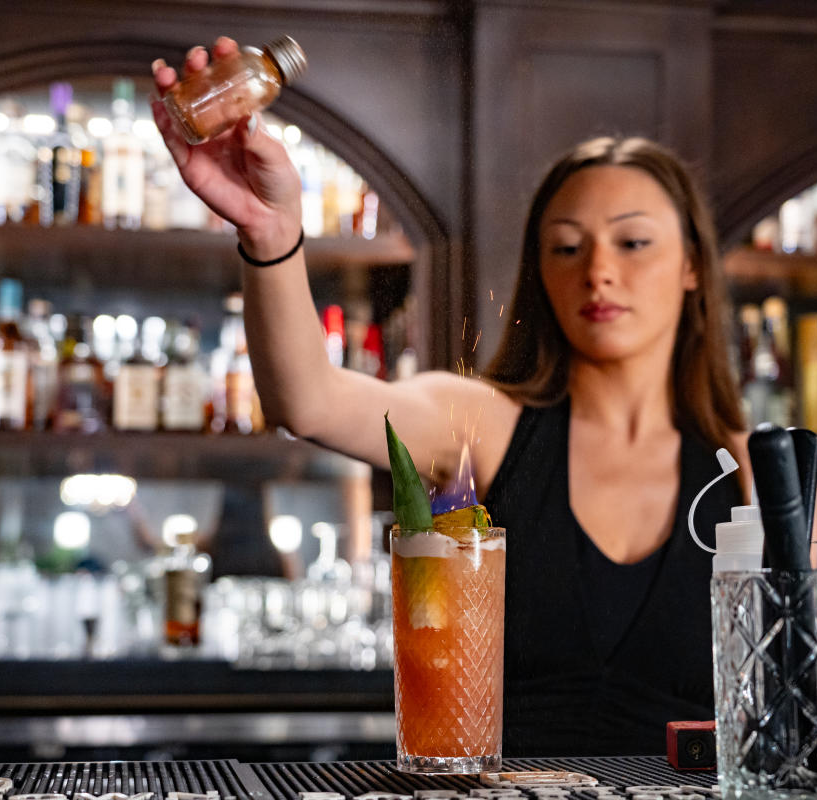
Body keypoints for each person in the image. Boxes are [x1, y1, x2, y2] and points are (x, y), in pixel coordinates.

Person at [151, 39, 751, 756]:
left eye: (633, 244)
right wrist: (270, 233)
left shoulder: (748, 473)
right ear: (540, 272)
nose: (598, 271)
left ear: (691, 266)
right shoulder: (483, 424)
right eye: (566, 247)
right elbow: (307, 400)